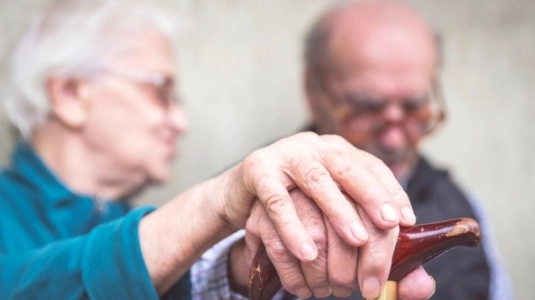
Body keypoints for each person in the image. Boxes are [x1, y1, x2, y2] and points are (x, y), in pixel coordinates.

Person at [0, 1, 436, 299]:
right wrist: (217, 201)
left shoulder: (123, 223)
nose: (181, 122)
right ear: (70, 93)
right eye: (161, 91)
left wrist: (257, 261)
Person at [298, 0, 513, 299]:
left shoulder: (463, 205)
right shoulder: (257, 210)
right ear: (314, 90)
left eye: (414, 107)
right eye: (367, 108)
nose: (394, 142)